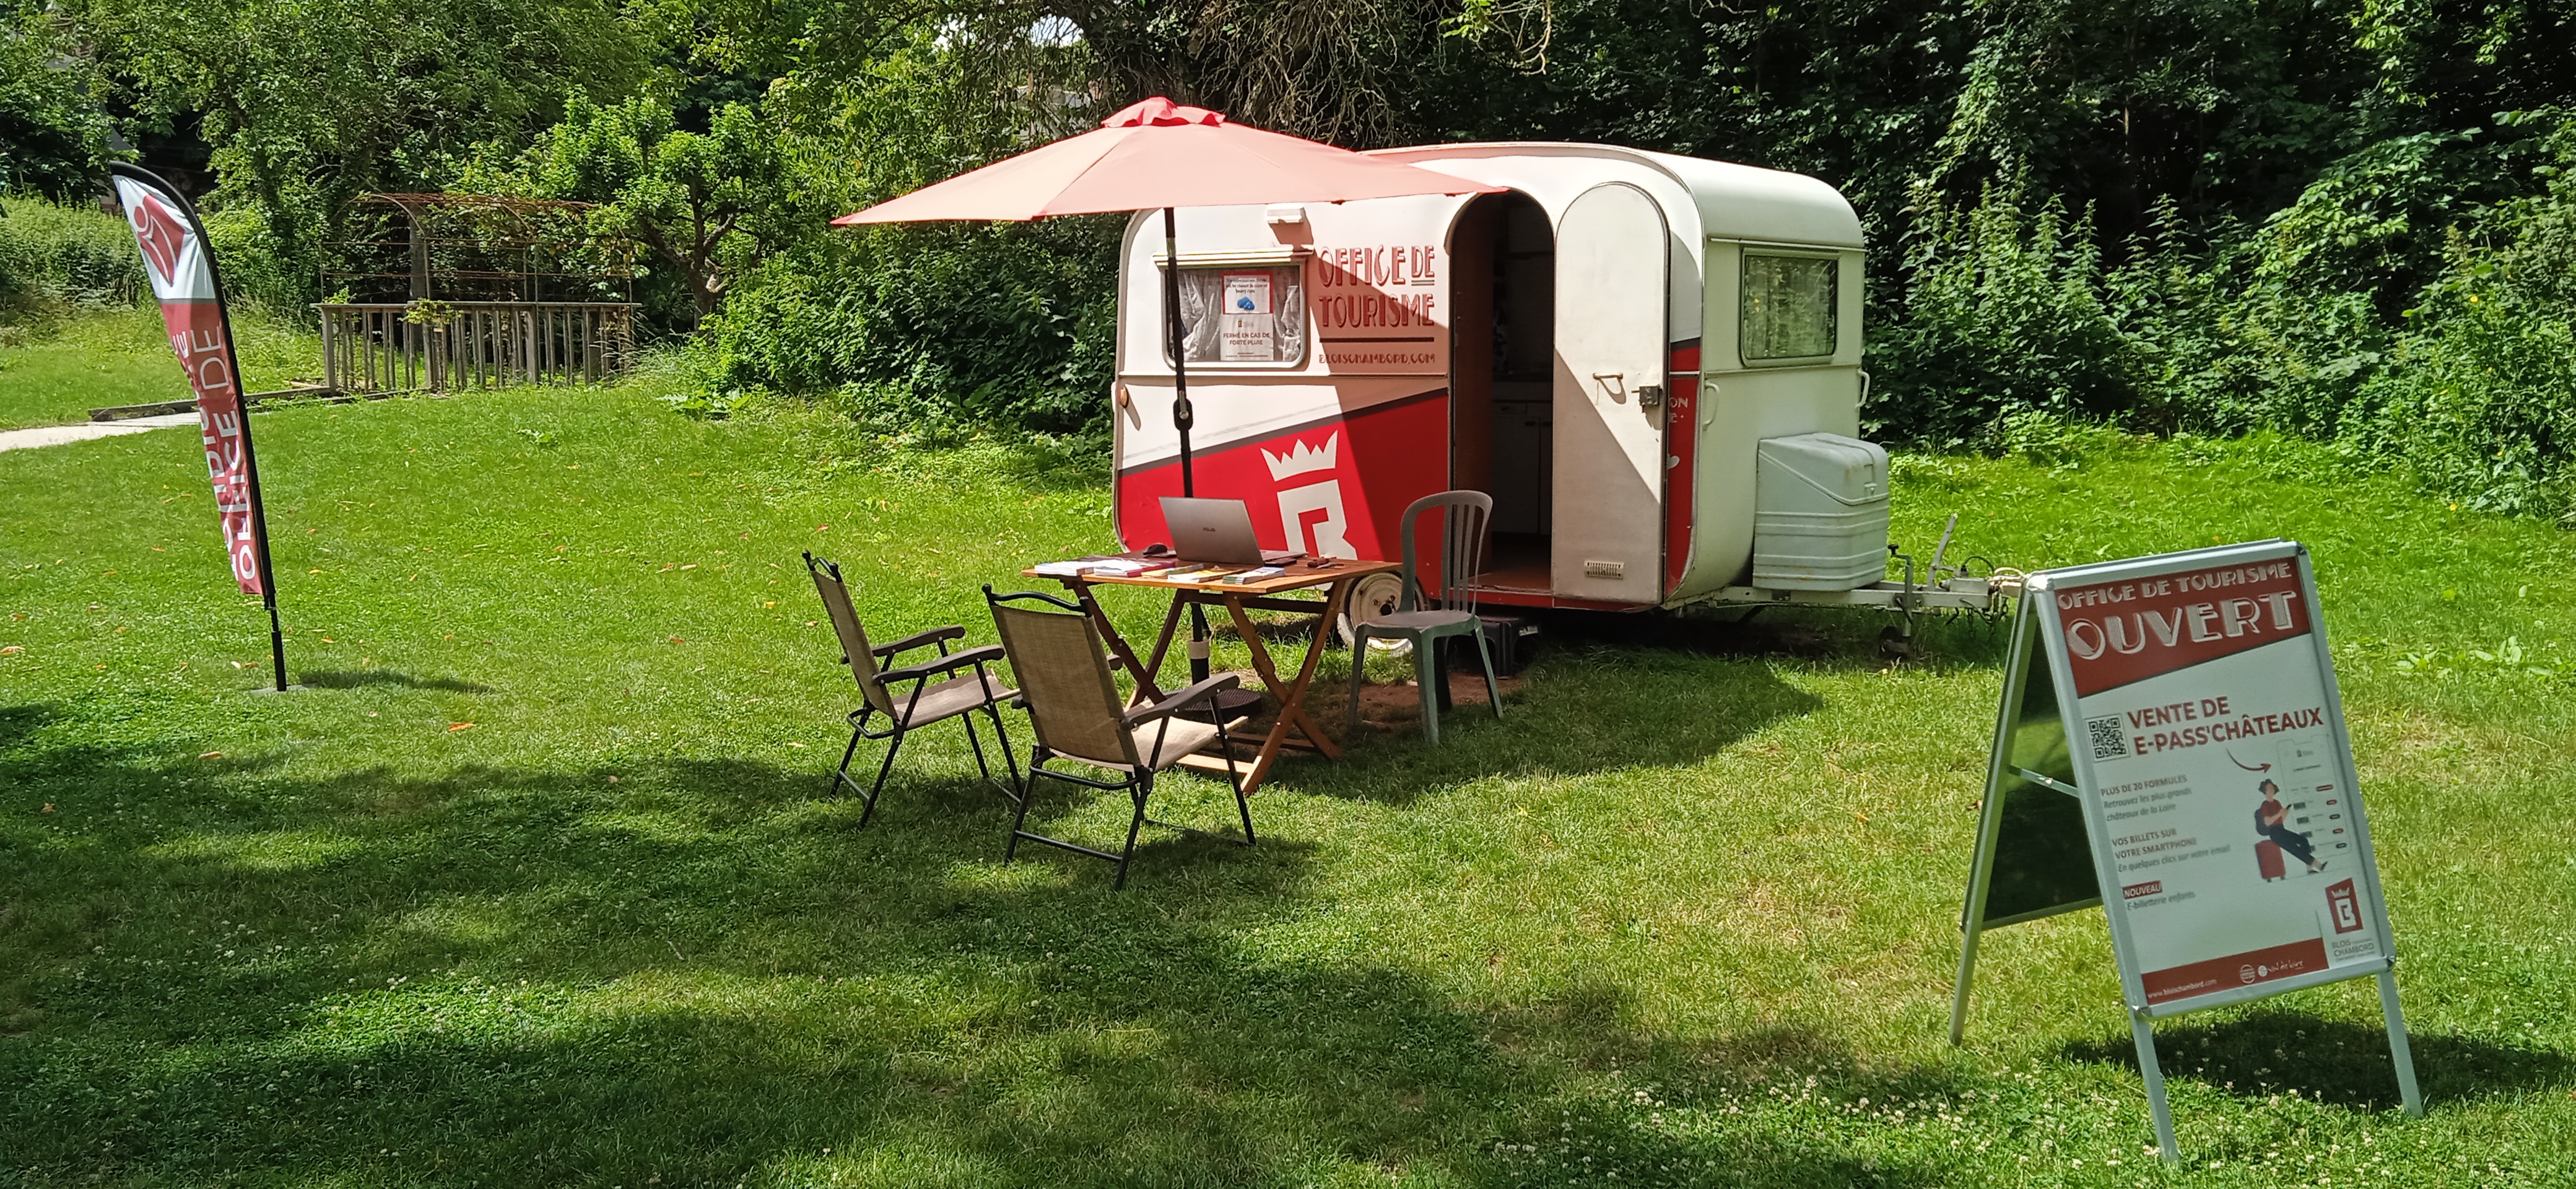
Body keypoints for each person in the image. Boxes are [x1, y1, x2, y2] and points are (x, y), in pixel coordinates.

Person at [2255, 779, 2325, 874]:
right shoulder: (2265, 805)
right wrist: (2279, 814)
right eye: (2269, 789)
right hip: (2275, 833)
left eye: (2272, 788)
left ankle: (2310, 867)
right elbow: (2268, 822)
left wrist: (2285, 813)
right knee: (2294, 848)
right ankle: (2318, 865)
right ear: (2265, 791)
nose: (2271, 790)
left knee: (2303, 840)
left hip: (2281, 828)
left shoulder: (2276, 803)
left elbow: (2280, 820)